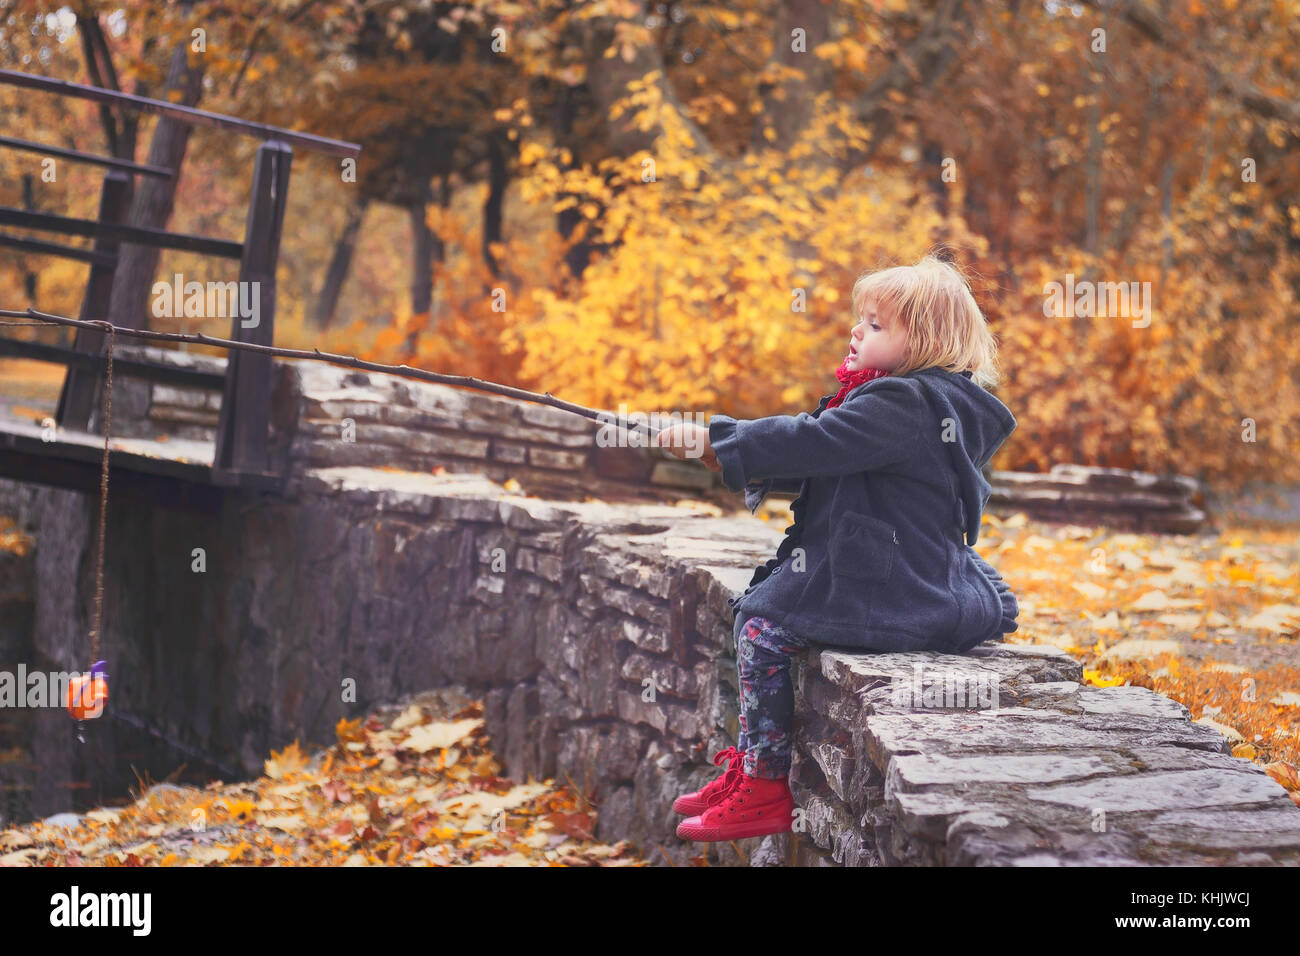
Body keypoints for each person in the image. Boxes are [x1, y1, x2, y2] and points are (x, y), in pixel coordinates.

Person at [654, 253, 1021, 843]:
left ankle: (765, 785)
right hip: (899, 572)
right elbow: (831, 462)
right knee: (761, 613)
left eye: (876, 325)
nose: (857, 330)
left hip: (894, 588)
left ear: (921, 342)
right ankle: (751, 766)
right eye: (861, 319)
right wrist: (720, 452)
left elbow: (816, 441)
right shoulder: (914, 403)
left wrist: (719, 436)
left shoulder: (905, 404)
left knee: (762, 631)